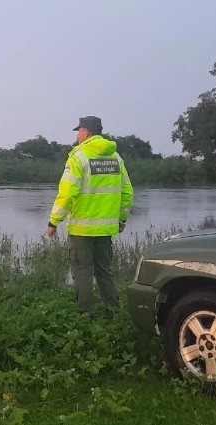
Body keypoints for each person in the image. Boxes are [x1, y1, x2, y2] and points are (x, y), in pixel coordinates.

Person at [46, 116, 134, 314]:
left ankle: (86, 316)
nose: (78, 135)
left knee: (83, 271)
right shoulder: (116, 158)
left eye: (79, 131)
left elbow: (67, 193)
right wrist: (121, 220)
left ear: (86, 131)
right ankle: (114, 311)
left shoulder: (78, 157)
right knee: (104, 271)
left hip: (81, 228)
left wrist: (53, 222)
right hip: (106, 229)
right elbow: (127, 192)